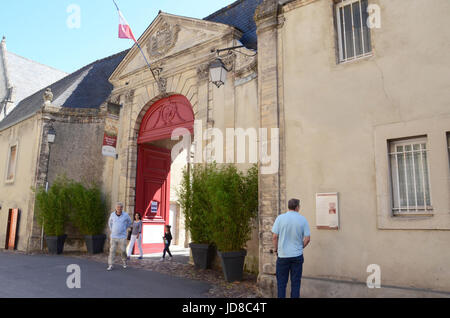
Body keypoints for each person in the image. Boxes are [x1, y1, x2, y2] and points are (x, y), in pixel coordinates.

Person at [272, 199, 311, 298]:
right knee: (296, 284)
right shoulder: (303, 219)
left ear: (288, 206)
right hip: (297, 256)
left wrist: (276, 249)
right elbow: (307, 239)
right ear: (297, 207)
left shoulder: (280, 218)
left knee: (281, 284)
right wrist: (300, 247)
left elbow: (274, 237)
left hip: (283, 256)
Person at [107, 202, 132, 271]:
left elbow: (129, 222)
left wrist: (125, 228)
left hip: (122, 236)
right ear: (116, 208)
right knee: (112, 251)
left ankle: (124, 261)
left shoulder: (125, 215)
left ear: (122, 208)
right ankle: (110, 264)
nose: (119, 208)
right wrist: (112, 229)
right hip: (113, 236)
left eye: (120, 207)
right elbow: (110, 223)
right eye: (118, 207)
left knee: (123, 250)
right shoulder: (112, 215)